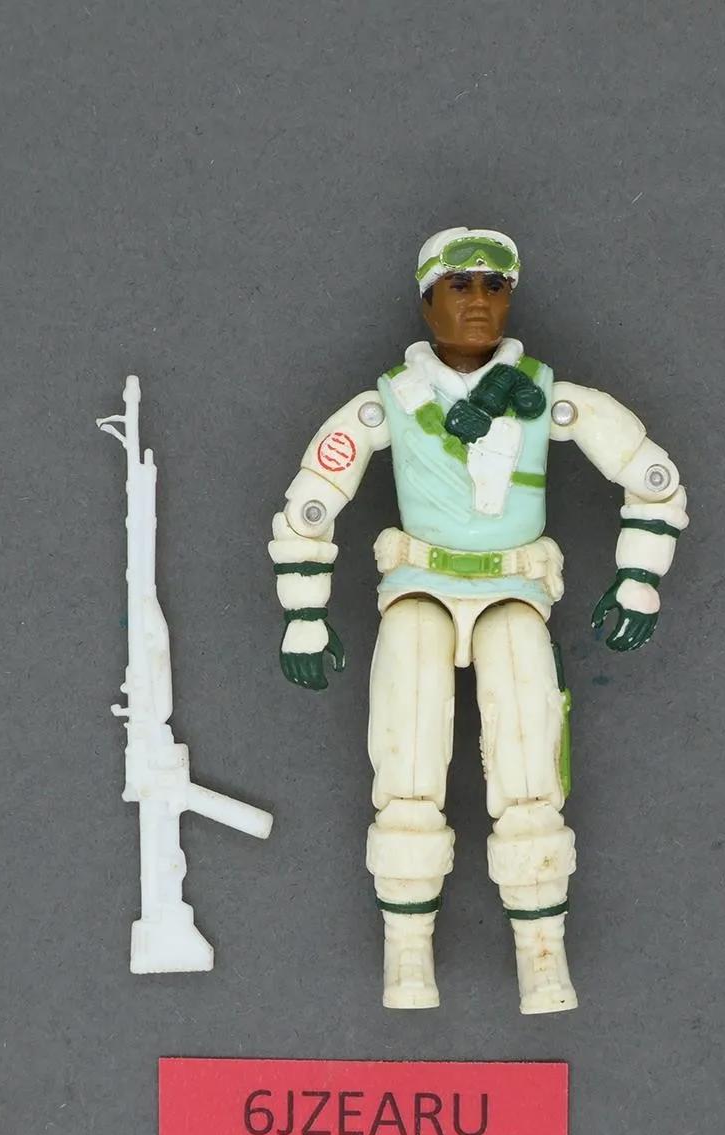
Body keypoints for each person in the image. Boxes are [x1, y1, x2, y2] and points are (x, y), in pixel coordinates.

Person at [268, 227, 689, 1014]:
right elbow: (311, 504)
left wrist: (639, 579)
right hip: (418, 589)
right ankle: (407, 951)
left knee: (530, 767)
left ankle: (541, 951)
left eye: (494, 286)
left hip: (513, 593)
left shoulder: (546, 396)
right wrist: (304, 614)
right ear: (426, 299)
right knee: (407, 760)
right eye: (459, 286)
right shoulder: (392, 402)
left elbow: (652, 477)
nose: (478, 302)